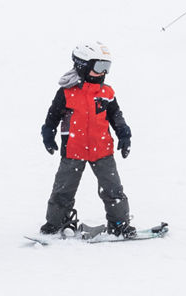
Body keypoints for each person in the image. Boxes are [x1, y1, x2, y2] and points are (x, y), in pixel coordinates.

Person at [39, 42, 135, 238]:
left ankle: (119, 222)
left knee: (113, 190)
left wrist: (124, 134)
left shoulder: (106, 93)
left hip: (102, 150)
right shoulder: (67, 92)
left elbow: (116, 116)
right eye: (99, 67)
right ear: (83, 65)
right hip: (73, 150)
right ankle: (56, 221)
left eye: (106, 68)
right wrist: (48, 133)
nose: (103, 73)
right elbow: (52, 116)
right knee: (63, 190)